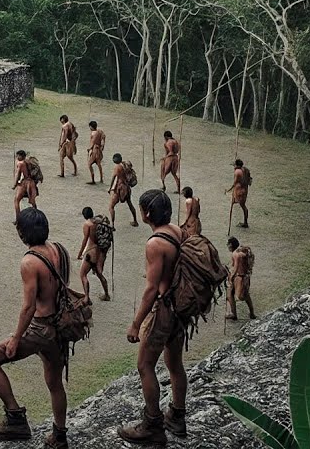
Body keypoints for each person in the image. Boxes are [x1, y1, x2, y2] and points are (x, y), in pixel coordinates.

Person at [0, 207, 70, 448]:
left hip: (41, 327)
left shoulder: (30, 261)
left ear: (23, 233)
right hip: (59, 326)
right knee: (55, 382)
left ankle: (15, 418)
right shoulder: (59, 250)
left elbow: (28, 307)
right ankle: (59, 435)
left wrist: (16, 338)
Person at [119, 190, 188, 445]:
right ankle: (177, 416)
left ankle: (152, 424)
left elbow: (151, 289)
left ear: (146, 213)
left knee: (145, 365)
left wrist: (136, 324)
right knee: (174, 363)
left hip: (165, 310)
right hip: (180, 308)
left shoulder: (155, 244)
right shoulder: (177, 231)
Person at [77, 206, 112, 302]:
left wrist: (80, 253)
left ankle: (87, 297)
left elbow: (85, 241)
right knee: (99, 274)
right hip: (100, 252)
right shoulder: (99, 222)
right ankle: (106, 294)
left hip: (91, 251)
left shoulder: (88, 224)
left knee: (83, 274)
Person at [225, 237, 256, 321]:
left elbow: (235, 268)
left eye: (228, 244)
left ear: (231, 245)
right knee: (230, 293)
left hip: (240, 277)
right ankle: (236, 313)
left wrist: (230, 278)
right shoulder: (242, 251)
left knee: (242, 296)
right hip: (244, 276)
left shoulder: (236, 254)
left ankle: (250, 313)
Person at [108, 153, 137, 226]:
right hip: (127, 187)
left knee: (111, 206)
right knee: (130, 204)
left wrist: (110, 188)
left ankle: (112, 225)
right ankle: (135, 220)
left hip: (120, 188)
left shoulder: (117, 167)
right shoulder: (125, 165)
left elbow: (114, 178)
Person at [12, 150, 38, 220]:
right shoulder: (28, 161)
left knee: (16, 200)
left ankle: (18, 219)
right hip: (32, 182)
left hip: (26, 182)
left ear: (21, 156)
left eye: (18, 156)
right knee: (33, 201)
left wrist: (14, 185)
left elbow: (18, 175)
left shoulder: (21, 164)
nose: (17, 157)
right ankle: (37, 216)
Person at [230, 158, 251, 229]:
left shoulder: (237, 172)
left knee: (243, 206)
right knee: (241, 204)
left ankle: (245, 223)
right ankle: (245, 222)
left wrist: (229, 189)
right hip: (244, 189)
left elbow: (235, 182)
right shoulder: (245, 170)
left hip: (240, 190)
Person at [86, 120, 106, 185]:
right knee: (99, 164)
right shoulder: (100, 131)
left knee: (89, 164)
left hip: (94, 150)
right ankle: (101, 179)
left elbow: (93, 142)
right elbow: (103, 138)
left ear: (91, 127)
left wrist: (89, 149)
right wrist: (102, 146)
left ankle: (93, 180)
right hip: (99, 150)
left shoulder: (93, 133)